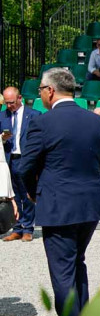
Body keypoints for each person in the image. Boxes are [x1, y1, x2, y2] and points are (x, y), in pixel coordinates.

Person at [16, 68, 100, 316]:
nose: (39, 94)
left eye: (41, 89)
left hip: (58, 204)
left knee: (62, 271)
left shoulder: (43, 123)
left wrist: (33, 192)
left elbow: (25, 167)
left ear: (50, 91)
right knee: (77, 263)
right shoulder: (95, 121)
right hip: (90, 203)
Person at [2, 87, 41, 242]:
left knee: (27, 194)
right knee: (13, 195)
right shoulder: (2, 116)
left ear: (20, 98)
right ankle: (17, 227)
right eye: (6, 103)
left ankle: (28, 228)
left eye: (11, 102)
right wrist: (3, 138)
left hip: (27, 160)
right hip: (9, 159)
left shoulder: (34, 115)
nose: (9, 106)